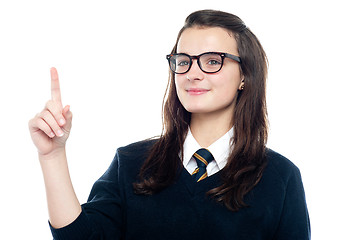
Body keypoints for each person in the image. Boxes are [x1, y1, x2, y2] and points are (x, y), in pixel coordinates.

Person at [28, 9, 310, 240]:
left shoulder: (280, 178)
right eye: (183, 61)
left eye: (213, 61)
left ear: (245, 76)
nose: (193, 73)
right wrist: (52, 156)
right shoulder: (130, 164)